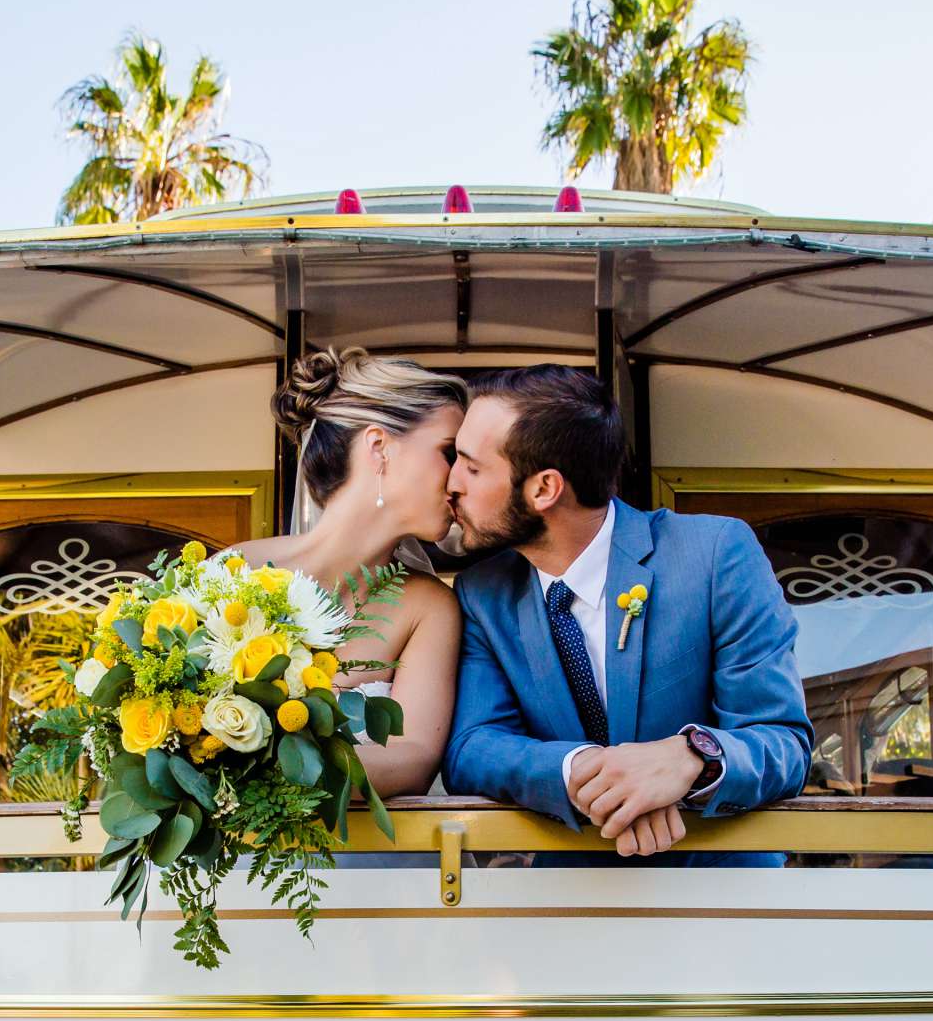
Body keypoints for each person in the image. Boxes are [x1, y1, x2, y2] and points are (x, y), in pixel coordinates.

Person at [443, 365, 810, 862]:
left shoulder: (715, 554)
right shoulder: (481, 593)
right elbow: (472, 748)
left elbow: (783, 742)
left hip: (722, 895)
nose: (451, 483)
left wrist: (688, 758)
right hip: (572, 904)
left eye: (471, 466)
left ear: (544, 488)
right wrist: (587, 770)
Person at [228, 347, 468, 797]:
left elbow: (414, 756)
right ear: (379, 446)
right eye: (448, 452)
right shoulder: (237, 570)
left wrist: (268, 771)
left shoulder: (430, 607)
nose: (459, 480)